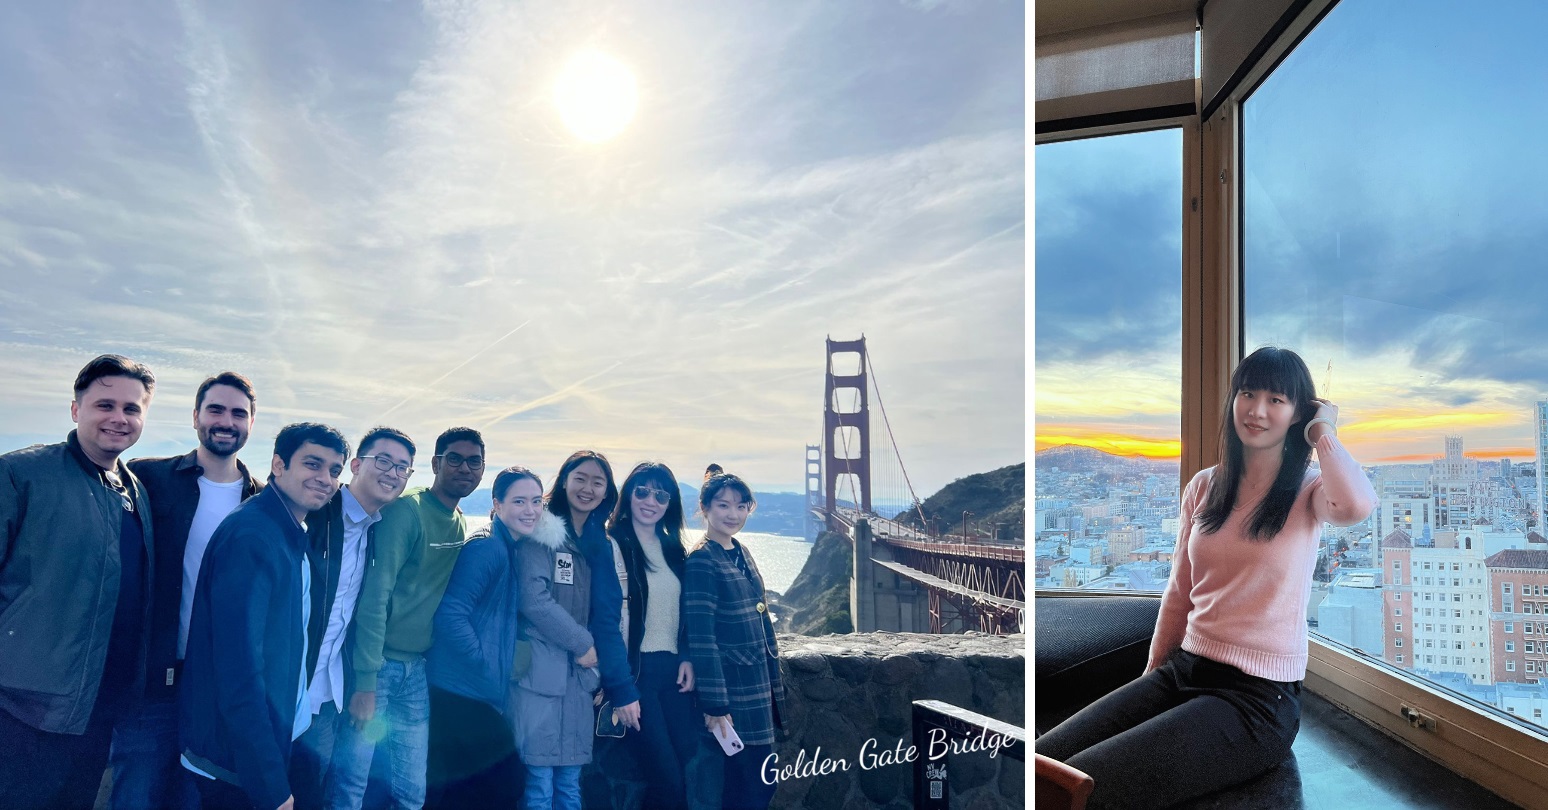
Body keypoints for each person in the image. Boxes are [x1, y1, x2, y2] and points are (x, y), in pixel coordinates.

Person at [1036, 346, 1377, 809]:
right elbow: (1180, 591)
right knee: (1037, 763)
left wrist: (1324, 432)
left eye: (1276, 399)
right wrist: (1151, 681)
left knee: (1082, 790)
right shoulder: (1204, 486)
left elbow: (1356, 505)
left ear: (1299, 413)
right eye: (1247, 393)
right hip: (1185, 670)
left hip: (1257, 701)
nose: (1257, 410)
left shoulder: (1309, 491)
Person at [0, 354, 157, 810]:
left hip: (98, 708)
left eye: (131, 408)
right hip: (22, 710)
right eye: (104, 405)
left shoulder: (135, 491)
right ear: (75, 409)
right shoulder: (21, 474)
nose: (118, 418)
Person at [180, 422, 351, 810]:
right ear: (278, 464)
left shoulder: (287, 529)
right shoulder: (253, 537)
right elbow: (238, 670)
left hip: (274, 740)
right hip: (235, 762)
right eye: (312, 464)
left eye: (334, 470)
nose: (325, 479)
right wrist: (270, 786)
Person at [116, 371, 263, 810]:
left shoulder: (262, 501)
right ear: (196, 416)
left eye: (238, 413)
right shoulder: (146, 478)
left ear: (251, 423)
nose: (226, 421)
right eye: (215, 410)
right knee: (137, 793)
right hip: (150, 678)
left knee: (194, 798)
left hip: (216, 684)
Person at [331, 428, 486, 810]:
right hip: (378, 665)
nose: (464, 468)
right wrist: (365, 683)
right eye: (454, 459)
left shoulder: (458, 520)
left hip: (415, 670)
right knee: (351, 785)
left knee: (411, 792)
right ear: (435, 464)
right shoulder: (406, 511)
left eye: (474, 461)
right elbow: (375, 596)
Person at [290, 427, 417, 810]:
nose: (393, 473)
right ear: (357, 465)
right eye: (384, 461)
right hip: (288, 688)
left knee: (313, 793)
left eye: (403, 467)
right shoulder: (316, 514)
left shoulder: (378, 527)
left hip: (329, 694)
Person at [425, 466, 559, 808]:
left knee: (463, 791)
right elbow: (450, 615)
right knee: (505, 784)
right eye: (519, 501)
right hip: (459, 690)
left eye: (536, 501)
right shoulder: (487, 548)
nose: (530, 510)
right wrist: (484, 663)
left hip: (471, 690)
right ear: (497, 504)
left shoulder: (509, 546)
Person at [513, 451, 639, 810]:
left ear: (607, 491)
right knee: (538, 783)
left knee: (570, 783)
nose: (588, 488)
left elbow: (608, 617)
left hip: (580, 682)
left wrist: (611, 678)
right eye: (580, 478)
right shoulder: (542, 532)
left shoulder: (599, 543)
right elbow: (533, 600)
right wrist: (583, 644)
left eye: (598, 482)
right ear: (564, 481)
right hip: (540, 675)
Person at [683, 464, 784, 810]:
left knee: (756, 786)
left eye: (741, 506)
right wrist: (716, 706)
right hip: (733, 694)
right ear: (705, 508)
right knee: (750, 789)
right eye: (723, 505)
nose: (733, 514)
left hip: (759, 687)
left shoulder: (740, 550)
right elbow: (702, 636)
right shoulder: (702, 560)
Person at [606, 461, 697, 810]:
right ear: (628, 495)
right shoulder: (613, 545)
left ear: (670, 503)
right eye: (642, 491)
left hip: (673, 673)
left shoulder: (674, 549)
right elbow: (604, 618)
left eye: (661, 495)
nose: (650, 501)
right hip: (637, 673)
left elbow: (685, 612)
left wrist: (686, 654)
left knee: (685, 759)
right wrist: (621, 687)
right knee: (667, 778)